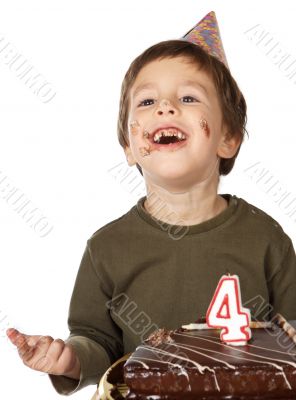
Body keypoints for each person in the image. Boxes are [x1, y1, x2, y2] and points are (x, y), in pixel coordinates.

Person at [6, 11, 296, 396]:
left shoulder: (265, 237)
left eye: (188, 97)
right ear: (129, 146)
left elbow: (289, 337)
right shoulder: (106, 248)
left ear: (228, 137)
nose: (165, 107)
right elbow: (96, 342)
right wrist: (69, 359)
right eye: (146, 101)